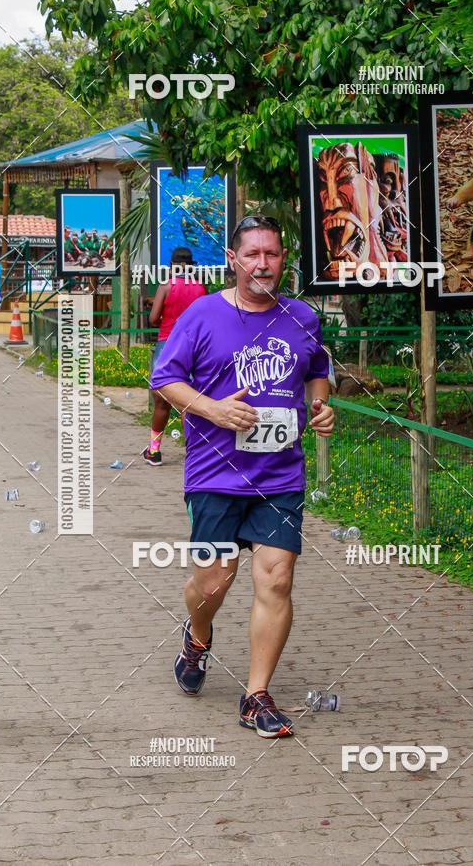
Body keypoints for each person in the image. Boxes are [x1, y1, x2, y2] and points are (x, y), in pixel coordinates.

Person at [150, 214, 334, 738]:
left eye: (271, 254)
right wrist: (210, 409)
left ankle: (256, 696)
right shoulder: (204, 313)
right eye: (251, 254)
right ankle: (198, 633)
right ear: (233, 260)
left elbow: (316, 369)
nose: (262, 263)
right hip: (215, 475)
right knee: (215, 580)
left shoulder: (302, 316)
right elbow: (165, 377)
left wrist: (320, 407)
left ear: (282, 260)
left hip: (280, 477)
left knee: (276, 578)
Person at [143, 247, 206, 465]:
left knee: (161, 402)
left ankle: (154, 451)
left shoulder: (166, 285)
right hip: (192, 347)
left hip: (167, 344)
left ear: (172, 265)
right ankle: (194, 453)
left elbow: (153, 319)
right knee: (188, 402)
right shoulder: (199, 288)